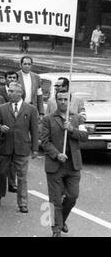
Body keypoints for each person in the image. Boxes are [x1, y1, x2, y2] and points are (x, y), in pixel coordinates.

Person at [40, 91, 88, 237]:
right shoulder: (48, 119)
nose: (62, 102)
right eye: (60, 99)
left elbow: (85, 136)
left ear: (70, 101)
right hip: (55, 165)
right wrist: (56, 154)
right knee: (54, 199)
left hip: (73, 165)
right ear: (56, 101)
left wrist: (72, 130)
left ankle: (61, 221)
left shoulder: (77, 118)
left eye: (65, 100)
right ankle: (55, 230)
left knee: (72, 196)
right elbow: (45, 141)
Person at [0, 82, 39, 213]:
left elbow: (34, 130)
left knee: (22, 176)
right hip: (5, 146)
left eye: (12, 91)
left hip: (22, 147)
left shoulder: (30, 109)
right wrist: (0, 127)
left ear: (20, 93)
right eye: (9, 91)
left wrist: (35, 148)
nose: (9, 93)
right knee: (1, 173)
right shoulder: (2, 108)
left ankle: (23, 203)